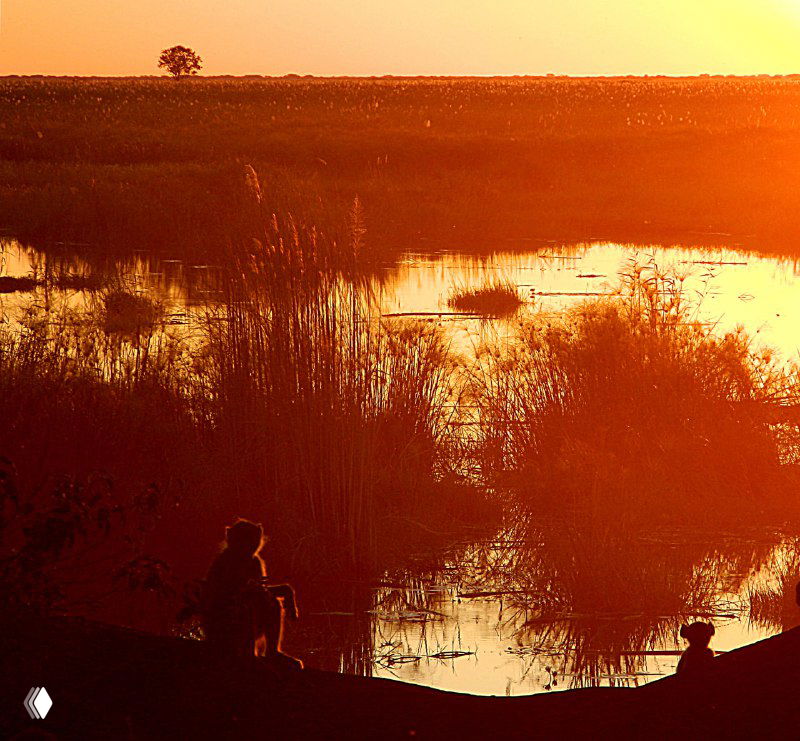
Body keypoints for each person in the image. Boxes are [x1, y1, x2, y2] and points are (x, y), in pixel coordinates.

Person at [202, 519, 301, 667]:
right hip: (224, 625)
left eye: (253, 542)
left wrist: (287, 593)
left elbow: (261, 593)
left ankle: (272, 652)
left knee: (270, 602)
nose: (248, 548)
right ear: (231, 539)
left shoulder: (255, 562)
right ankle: (250, 656)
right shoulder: (225, 562)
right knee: (247, 604)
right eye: (244, 542)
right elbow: (221, 598)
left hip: (246, 621)